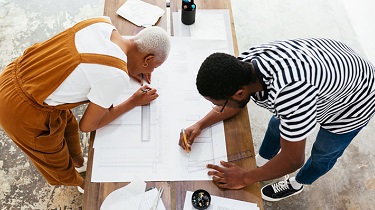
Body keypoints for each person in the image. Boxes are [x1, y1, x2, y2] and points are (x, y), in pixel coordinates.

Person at [178, 38, 374, 201]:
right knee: (278, 124)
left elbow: (293, 159)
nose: (221, 109)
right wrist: (200, 124)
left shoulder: (290, 93)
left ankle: (298, 183)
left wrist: (245, 177)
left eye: (221, 105)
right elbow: (236, 103)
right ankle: (263, 162)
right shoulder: (245, 64)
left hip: (357, 98)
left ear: (238, 93)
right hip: (332, 69)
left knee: (324, 152)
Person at [0, 16, 171, 193]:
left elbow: (94, 63)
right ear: (147, 59)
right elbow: (88, 125)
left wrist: (129, 67)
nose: (151, 71)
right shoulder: (116, 75)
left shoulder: (101, 23)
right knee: (54, 159)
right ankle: (82, 184)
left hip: (21, 74)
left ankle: (79, 163)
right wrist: (133, 101)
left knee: (67, 126)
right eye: (154, 67)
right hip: (20, 110)